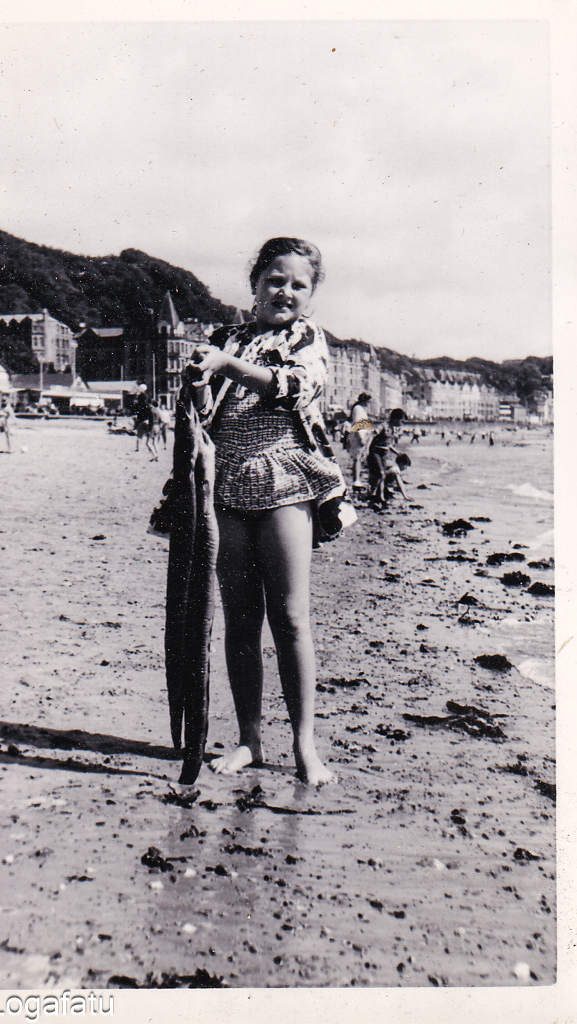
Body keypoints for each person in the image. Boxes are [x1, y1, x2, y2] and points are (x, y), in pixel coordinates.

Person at [185, 237, 347, 785]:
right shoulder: (225, 337)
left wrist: (226, 365)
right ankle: (250, 739)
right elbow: (204, 412)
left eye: (300, 285)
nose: (286, 292)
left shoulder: (309, 339)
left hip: (285, 475)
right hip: (227, 478)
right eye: (276, 280)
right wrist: (200, 384)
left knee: (292, 618)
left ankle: (304, 744)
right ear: (254, 282)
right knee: (240, 619)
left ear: (311, 295)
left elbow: (295, 388)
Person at [367, 408, 408, 509]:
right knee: (380, 473)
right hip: (375, 452)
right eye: (401, 421)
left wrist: (397, 452)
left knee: (382, 475)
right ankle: (379, 496)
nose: (402, 424)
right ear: (395, 418)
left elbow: (388, 444)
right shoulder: (384, 426)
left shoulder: (393, 428)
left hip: (384, 454)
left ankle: (377, 495)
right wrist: (366, 449)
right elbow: (372, 434)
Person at [347, 392, 374, 490]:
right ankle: (356, 481)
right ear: (364, 400)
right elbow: (357, 424)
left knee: (359, 458)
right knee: (357, 458)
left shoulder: (361, 409)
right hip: (359, 436)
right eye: (369, 401)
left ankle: (357, 480)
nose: (369, 403)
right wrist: (361, 438)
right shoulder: (358, 409)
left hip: (362, 435)